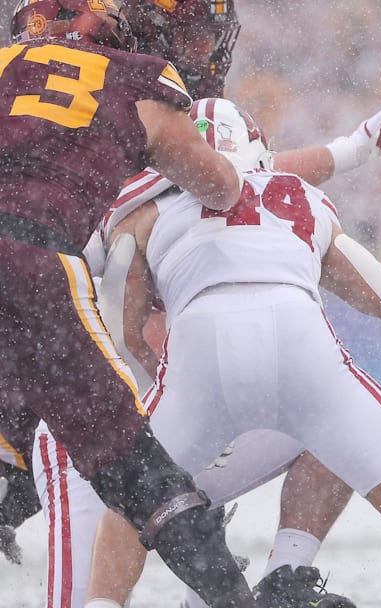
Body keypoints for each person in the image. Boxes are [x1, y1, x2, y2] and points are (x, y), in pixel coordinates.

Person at [25, 1, 381, 606]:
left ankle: (280, 578)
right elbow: (237, 177)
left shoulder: (115, 110)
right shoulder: (120, 112)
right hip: (88, 415)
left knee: (332, 415)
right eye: (196, 28)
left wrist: (351, 149)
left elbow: (250, 172)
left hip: (144, 413)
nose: (209, 47)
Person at [77, 97, 381, 608]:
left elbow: (119, 332)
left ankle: (113, 600)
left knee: (131, 505)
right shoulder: (301, 196)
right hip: (300, 341)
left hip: (201, 350)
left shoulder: (143, 210)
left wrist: (157, 401)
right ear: (258, 147)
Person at [0, 0, 269, 606]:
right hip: (32, 263)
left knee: (25, 423)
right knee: (138, 470)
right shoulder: (133, 76)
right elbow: (223, 186)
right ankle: (232, 598)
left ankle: (12, 472)